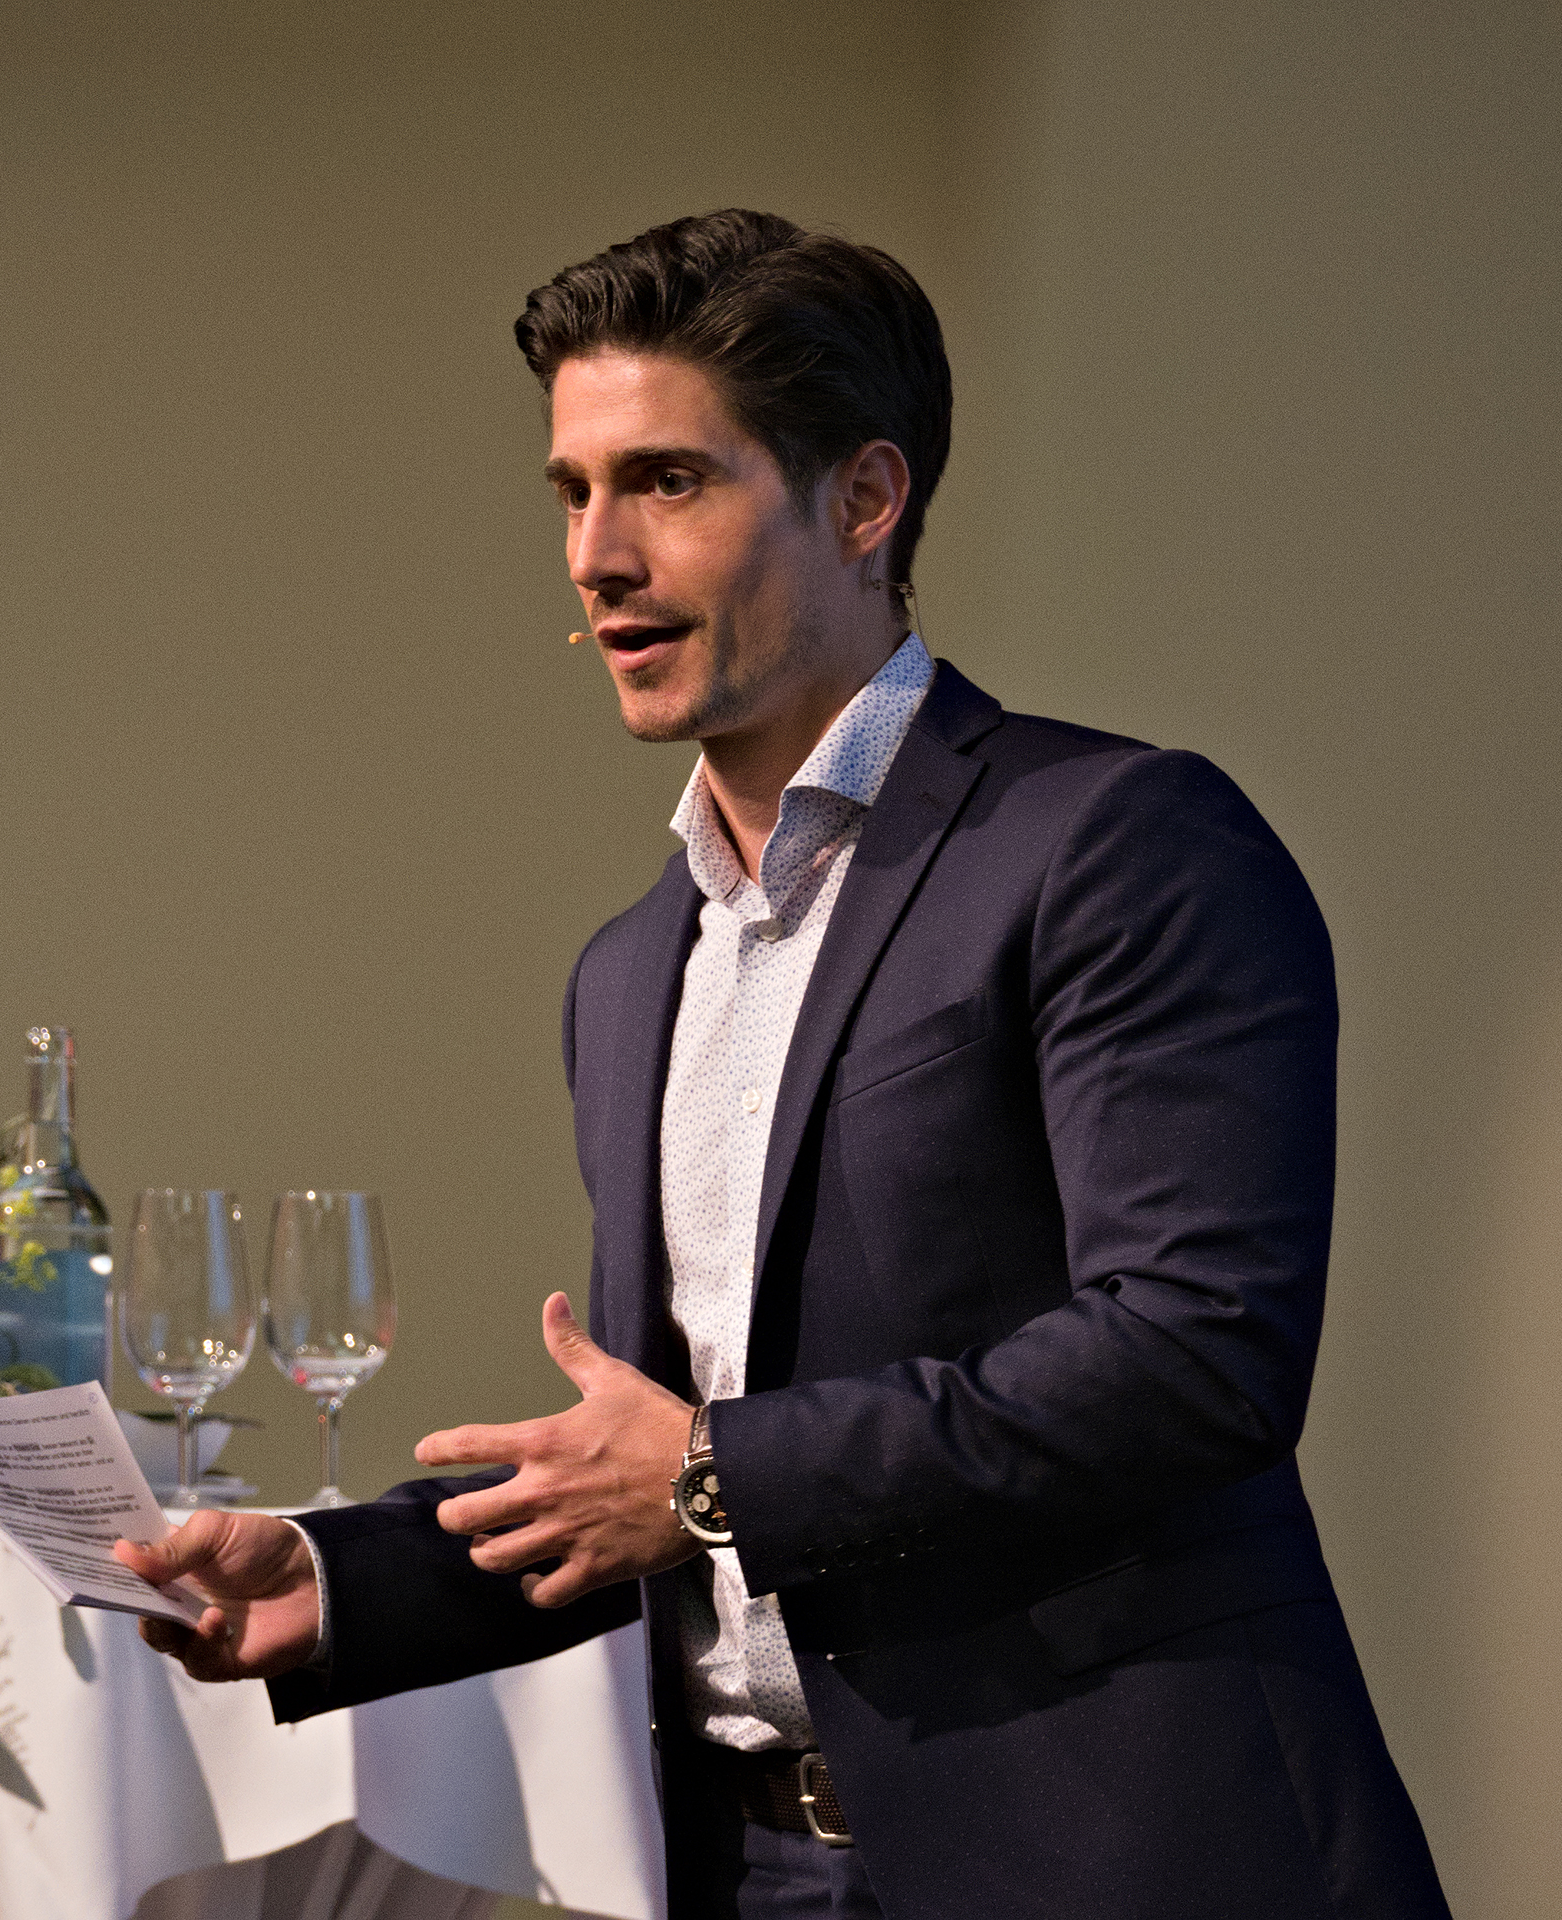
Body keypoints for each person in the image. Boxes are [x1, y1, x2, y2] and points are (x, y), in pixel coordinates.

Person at [112, 211, 1450, 1919]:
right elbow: (655, 1479)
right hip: (756, 1871)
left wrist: (701, 1474)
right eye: (572, 492)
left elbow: (1197, 1358)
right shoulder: (629, 972)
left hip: (1119, 1857)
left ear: (865, 500)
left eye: (667, 480)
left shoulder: (1114, 842)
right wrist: (331, 1579)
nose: (596, 555)